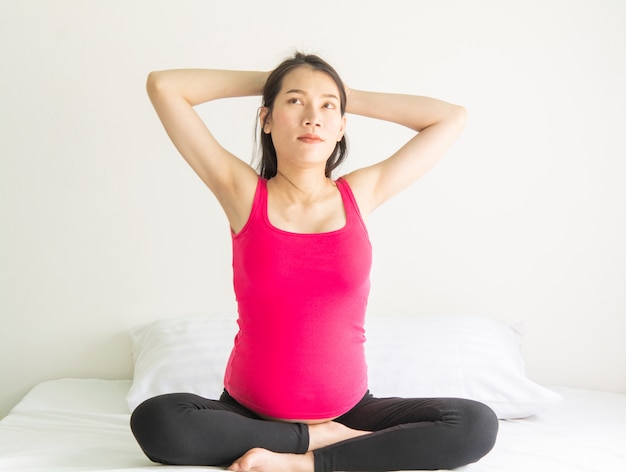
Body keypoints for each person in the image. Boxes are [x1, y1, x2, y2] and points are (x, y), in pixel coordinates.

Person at [130, 52, 498, 472]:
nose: (312, 117)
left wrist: (346, 94)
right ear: (265, 119)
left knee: (474, 424)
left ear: (342, 126)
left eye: (327, 107)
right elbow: (164, 86)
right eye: (295, 102)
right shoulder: (244, 194)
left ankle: (303, 462)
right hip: (249, 416)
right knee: (157, 420)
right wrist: (277, 80)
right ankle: (316, 440)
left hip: (351, 413)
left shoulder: (360, 194)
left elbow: (450, 118)